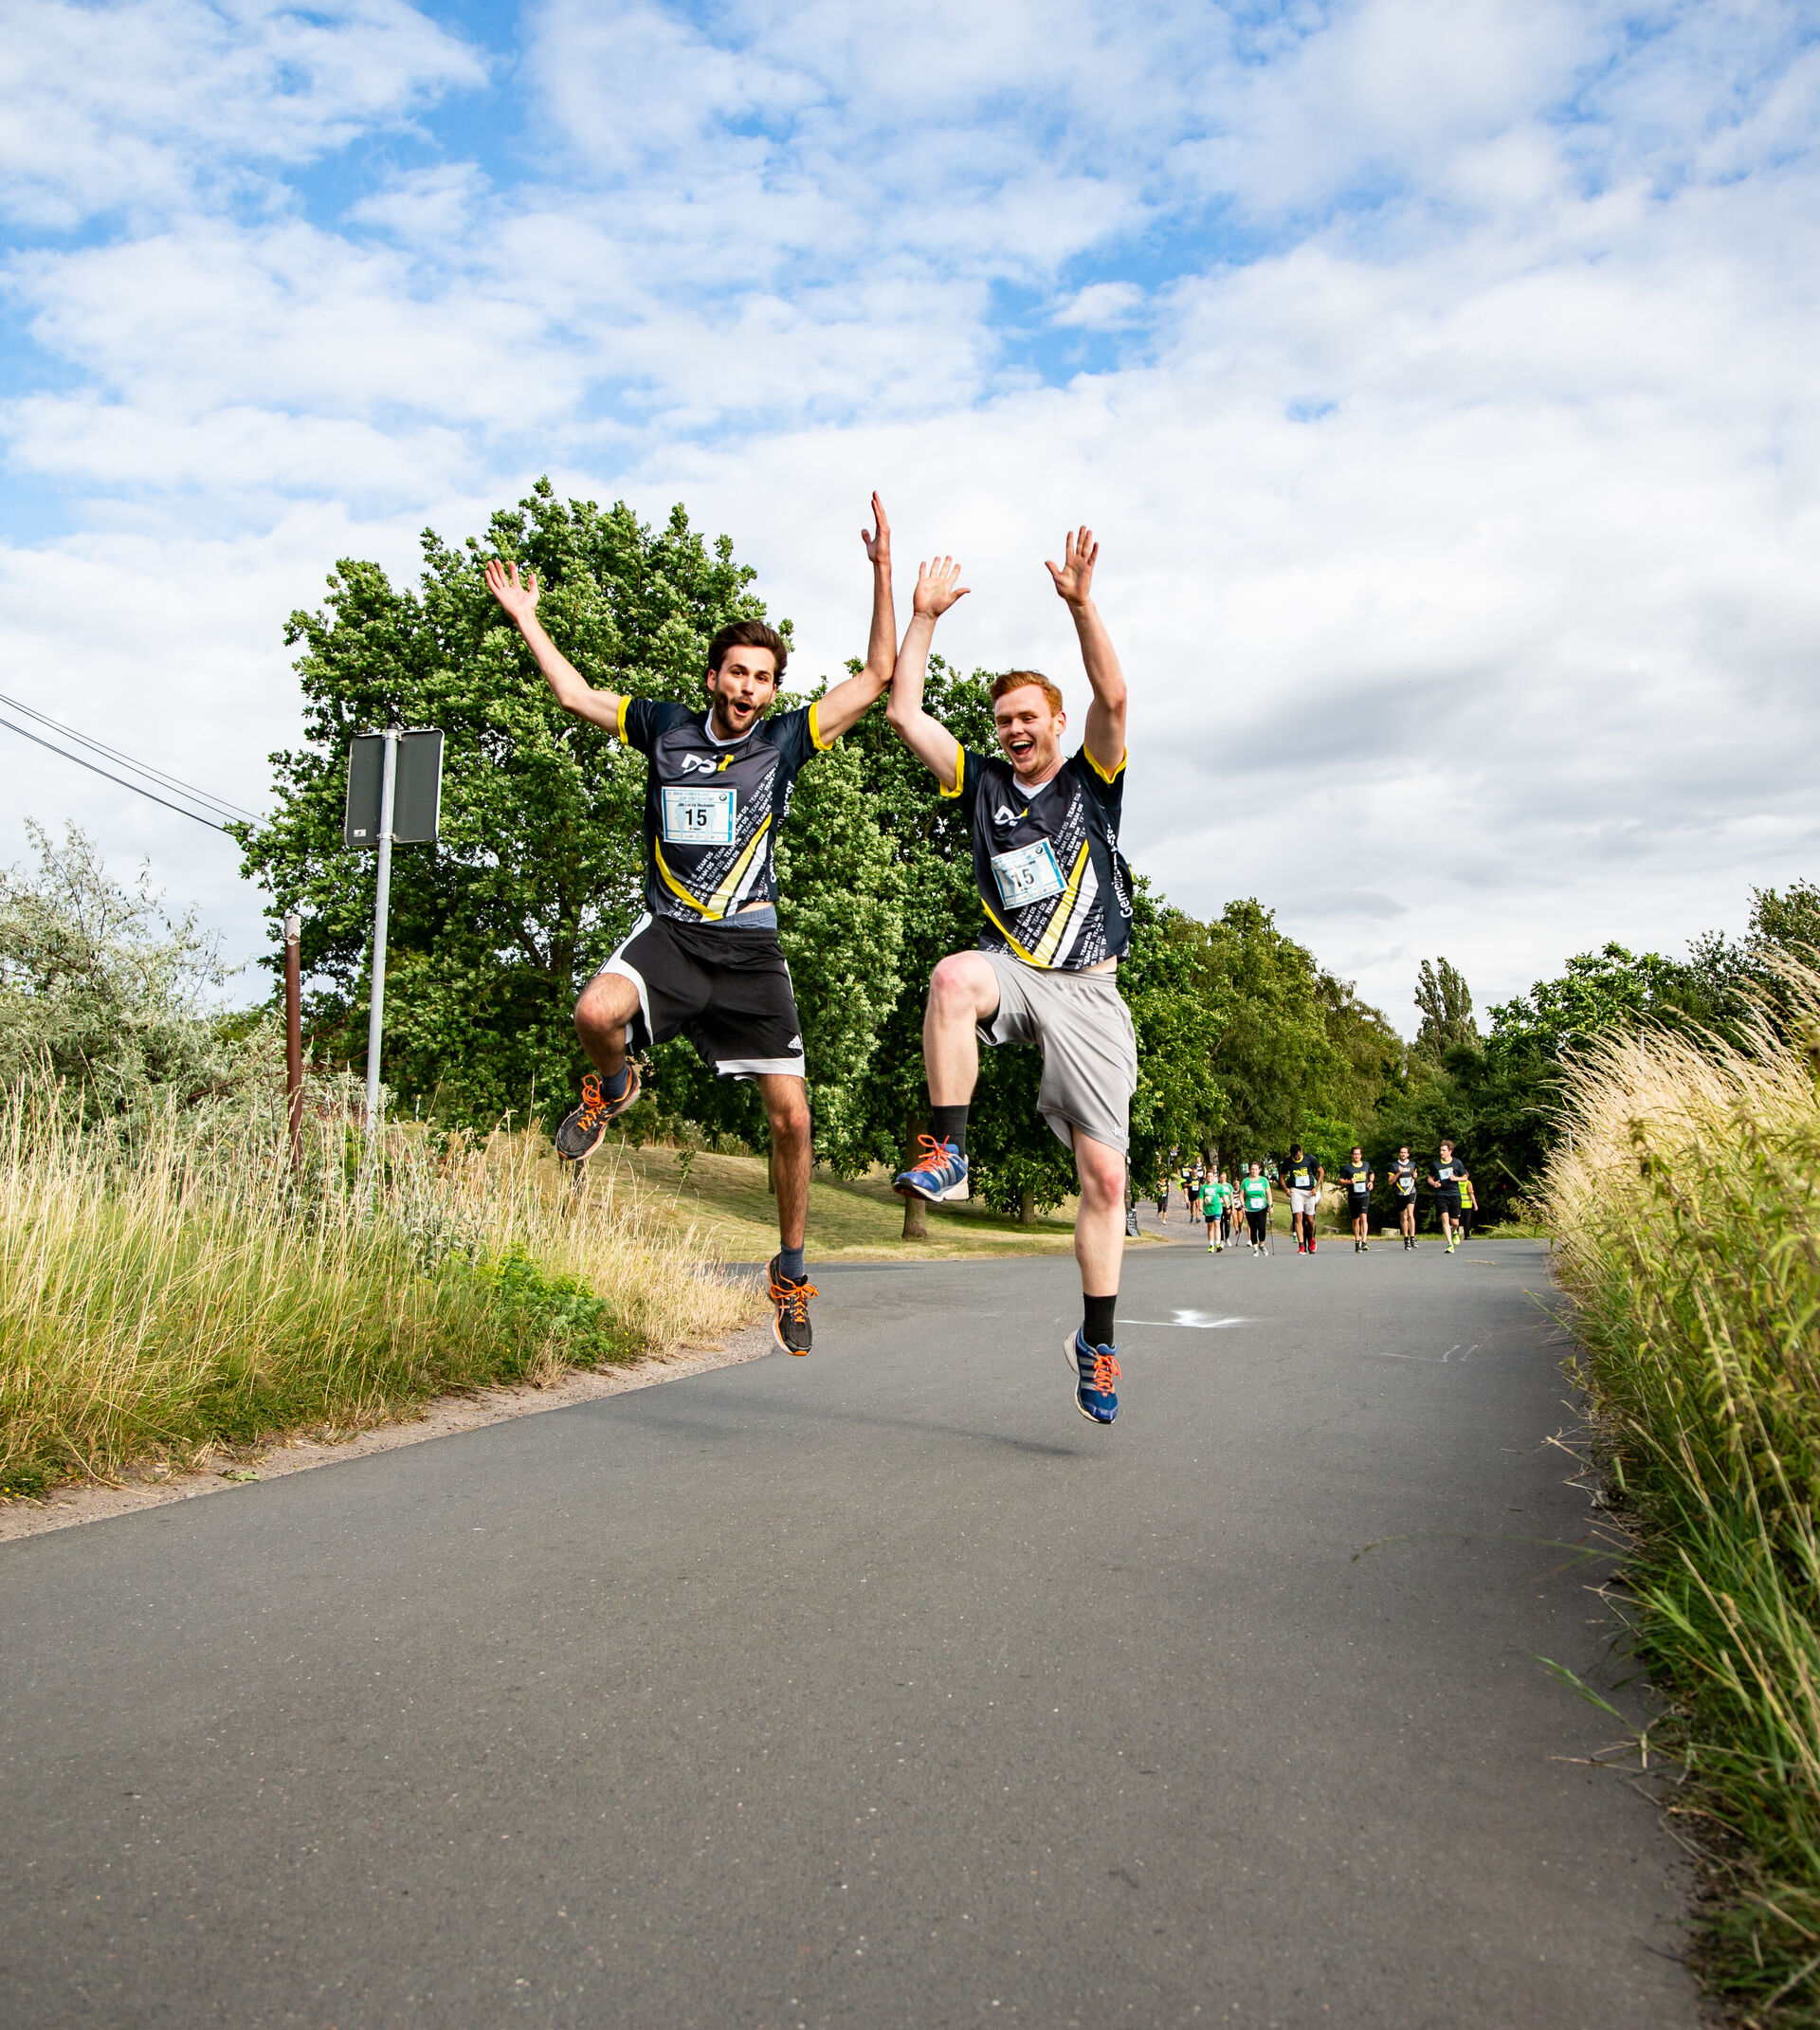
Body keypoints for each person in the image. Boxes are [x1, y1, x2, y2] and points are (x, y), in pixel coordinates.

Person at [483, 495, 899, 1356]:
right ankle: (615, 1084)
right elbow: (570, 693)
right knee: (595, 1014)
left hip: (749, 950)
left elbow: (878, 676)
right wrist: (527, 617)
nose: (750, 688)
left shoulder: (784, 742)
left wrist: (882, 569)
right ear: (713, 677)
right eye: (737, 673)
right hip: (672, 934)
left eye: (764, 677)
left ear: (773, 690)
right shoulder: (665, 727)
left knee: (792, 1118)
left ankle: (787, 1270)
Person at [885, 531, 1137, 1424]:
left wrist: (1080, 604)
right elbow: (906, 714)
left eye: (1029, 718)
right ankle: (949, 1150)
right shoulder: (981, 783)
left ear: (1055, 725)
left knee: (1104, 1181)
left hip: (1091, 991)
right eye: (1005, 721)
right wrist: (920, 618)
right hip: (1016, 974)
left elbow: (1113, 693)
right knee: (953, 976)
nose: (1016, 731)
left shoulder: (1092, 782)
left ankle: (1096, 1343)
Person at [1429, 1141, 1469, 1253]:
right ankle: (1450, 1244)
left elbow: (1465, 1177)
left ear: (1450, 1151)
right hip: (1441, 1194)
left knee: (1454, 1222)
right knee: (1445, 1219)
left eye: (1444, 1150)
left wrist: (1456, 1179)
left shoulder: (1457, 1163)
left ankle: (1455, 1231)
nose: (1441, 1152)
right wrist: (1434, 1183)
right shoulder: (1436, 1164)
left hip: (1454, 1195)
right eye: (1440, 1150)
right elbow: (1430, 1178)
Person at [1283, 1143, 1323, 1254]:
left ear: (1301, 1151)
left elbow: (1321, 1171)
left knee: (1310, 1219)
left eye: (1297, 1156)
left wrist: (1316, 1188)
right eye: (1293, 1156)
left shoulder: (1309, 1158)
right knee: (1298, 1217)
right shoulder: (1288, 1161)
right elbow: (1281, 1177)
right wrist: (1286, 1189)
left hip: (1309, 1191)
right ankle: (1301, 1245)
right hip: (1296, 1191)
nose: (1295, 1158)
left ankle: (1311, 1239)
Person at [1336, 1144, 1374, 1253]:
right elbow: (1340, 1180)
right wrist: (1349, 1182)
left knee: (1364, 1217)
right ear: (1352, 1155)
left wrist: (1371, 1182)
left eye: (1358, 1154)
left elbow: (1371, 1174)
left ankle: (1364, 1241)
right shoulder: (1347, 1167)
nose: (1357, 1156)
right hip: (1353, 1196)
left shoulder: (1366, 1165)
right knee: (1355, 1220)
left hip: (1364, 1195)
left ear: (1361, 1155)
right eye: (1355, 1154)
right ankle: (1357, 1240)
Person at [1389, 1144, 1419, 1249]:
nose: (1403, 1154)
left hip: (1411, 1191)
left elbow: (1415, 1175)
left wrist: (1415, 1176)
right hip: (1400, 1193)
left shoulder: (1413, 1164)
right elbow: (1390, 1181)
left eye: (1405, 1152)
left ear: (1408, 1154)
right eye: (1401, 1152)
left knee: (1411, 1214)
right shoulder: (1394, 1165)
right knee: (1404, 1217)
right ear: (1399, 1154)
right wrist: (1398, 1173)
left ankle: (1413, 1238)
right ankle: (1406, 1239)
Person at [1241, 1161, 1272, 1253]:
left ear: (1259, 1170)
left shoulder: (1264, 1180)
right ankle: (1255, 1248)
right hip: (1250, 1208)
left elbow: (1269, 1193)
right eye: (1252, 1169)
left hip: (1262, 1208)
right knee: (1253, 1227)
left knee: (1262, 1227)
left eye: (1256, 1169)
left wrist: (1270, 1205)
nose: (1254, 1171)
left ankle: (1261, 1244)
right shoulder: (1245, 1181)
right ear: (1250, 1170)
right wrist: (1243, 1206)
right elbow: (1241, 1195)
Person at [1201, 1170, 1227, 1253]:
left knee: (1217, 1224)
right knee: (1210, 1226)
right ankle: (1211, 1245)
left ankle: (1218, 1243)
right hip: (1208, 1209)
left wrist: (1228, 1206)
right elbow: (1201, 1197)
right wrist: (1200, 1206)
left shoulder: (1218, 1187)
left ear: (1214, 1177)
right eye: (1208, 1176)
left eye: (1211, 1176)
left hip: (1217, 1208)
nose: (1209, 1178)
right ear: (1206, 1177)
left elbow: (1223, 1196)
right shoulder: (1204, 1187)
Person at [1457, 1171, 1477, 1242]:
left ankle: (1455, 1236)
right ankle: (1467, 1235)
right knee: (1467, 1221)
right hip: (1467, 1205)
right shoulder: (1468, 1183)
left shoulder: (1457, 1183)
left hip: (1457, 1205)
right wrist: (1475, 1204)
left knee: (1456, 1221)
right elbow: (1471, 1194)